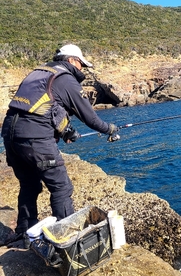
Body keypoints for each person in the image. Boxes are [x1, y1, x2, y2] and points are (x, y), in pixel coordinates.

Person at [1, 44, 120, 246]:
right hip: (35, 140)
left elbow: (42, 107)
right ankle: (68, 241)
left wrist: (65, 130)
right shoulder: (65, 78)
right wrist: (109, 129)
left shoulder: (39, 73)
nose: (82, 69)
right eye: (82, 64)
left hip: (10, 136)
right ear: (72, 60)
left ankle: (24, 233)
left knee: (29, 185)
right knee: (62, 188)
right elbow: (90, 117)